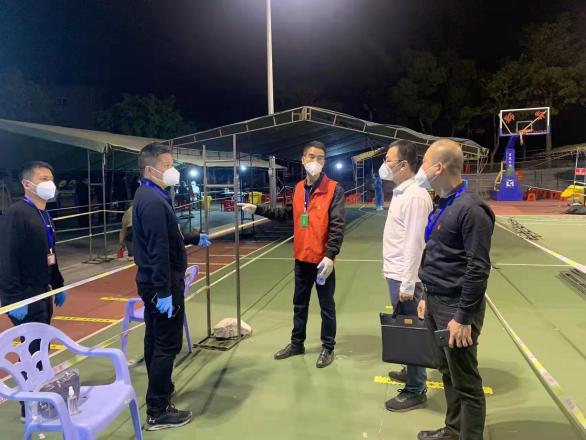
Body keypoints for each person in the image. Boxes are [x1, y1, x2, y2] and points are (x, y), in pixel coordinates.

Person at [239, 140, 345, 368]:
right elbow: (286, 213)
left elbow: (337, 225)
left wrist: (330, 254)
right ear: (303, 159)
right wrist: (258, 209)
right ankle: (297, 343)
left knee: (327, 306)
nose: (316, 161)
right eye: (312, 157)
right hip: (302, 259)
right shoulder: (298, 189)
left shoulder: (334, 189)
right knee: (299, 304)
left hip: (323, 262)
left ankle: (328, 347)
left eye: (320, 158)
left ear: (324, 162)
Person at [415, 140, 495, 440]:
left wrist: (463, 317)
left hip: (456, 307)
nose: (421, 169)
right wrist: (426, 294)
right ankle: (452, 431)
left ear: (438, 167)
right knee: (448, 372)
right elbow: (438, 255)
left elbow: (478, 269)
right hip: (436, 300)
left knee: (466, 382)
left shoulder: (471, 210)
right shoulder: (442, 202)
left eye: (424, 163)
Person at [133, 143, 212, 431]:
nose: (172, 170)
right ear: (150, 169)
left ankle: (162, 389)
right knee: (167, 344)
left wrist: (191, 237)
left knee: (155, 339)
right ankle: (158, 410)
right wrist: (164, 292)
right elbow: (158, 248)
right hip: (161, 285)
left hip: (155, 283)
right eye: (166, 165)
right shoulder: (153, 201)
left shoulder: (151, 194)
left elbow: (168, 234)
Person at [0, 161, 68, 421]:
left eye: (51, 178)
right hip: (24, 296)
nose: (50, 183)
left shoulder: (44, 214)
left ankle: (39, 396)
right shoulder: (16, 213)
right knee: (31, 351)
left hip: (42, 292)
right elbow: (6, 257)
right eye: (43, 178)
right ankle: (28, 407)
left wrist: (58, 285)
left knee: (40, 349)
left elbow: (50, 254)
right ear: (27, 184)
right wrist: (13, 298)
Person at [379, 141, 433, 412]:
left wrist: (408, 284)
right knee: (404, 327)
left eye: (388, 160)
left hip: (406, 278)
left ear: (403, 165)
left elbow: (415, 243)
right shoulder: (402, 193)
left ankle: (416, 388)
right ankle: (411, 370)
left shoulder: (415, 197)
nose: (384, 165)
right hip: (397, 273)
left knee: (412, 332)